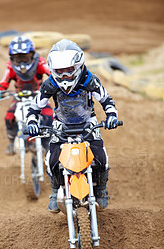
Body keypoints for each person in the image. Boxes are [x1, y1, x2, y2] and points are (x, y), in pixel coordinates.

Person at [26, 39, 119, 212]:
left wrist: (112, 116)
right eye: (60, 71)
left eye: (69, 70)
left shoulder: (89, 79)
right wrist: (32, 122)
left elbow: (106, 100)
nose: (64, 76)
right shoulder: (50, 84)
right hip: (61, 126)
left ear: (78, 66)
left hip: (87, 124)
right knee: (51, 160)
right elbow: (35, 107)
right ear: (53, 70)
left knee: (101, 157)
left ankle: (100, 191)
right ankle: (55, 192)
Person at [0, 35, 53, 155]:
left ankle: (48, 142)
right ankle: (11, 141)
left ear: (32, 54)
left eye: (25, 57)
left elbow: (51, 73)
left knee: (50, 116)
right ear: (12, 58)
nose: (22, 61)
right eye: (18, 58)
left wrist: (56, 83)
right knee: (9, 117)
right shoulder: (10, 67)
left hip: (39, 96)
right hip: (19, 97)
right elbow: (4, 82)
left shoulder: (40, 62)